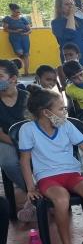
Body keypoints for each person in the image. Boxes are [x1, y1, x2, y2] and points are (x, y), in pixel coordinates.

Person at [18, 85, 83, 244]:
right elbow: (25, 161)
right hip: (48, 177)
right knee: (62, 200)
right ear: (46, 112)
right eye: (61, 108)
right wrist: (30, 187)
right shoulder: (28, 129)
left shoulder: (66, 125)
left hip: (72, 174)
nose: (65, 111)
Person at [0, 59, 33, 221]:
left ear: (13, 78)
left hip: (30, 139)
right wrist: (18, 145)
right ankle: (34, 194)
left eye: (0, 76)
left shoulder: (27, 98)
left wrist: (27, 145)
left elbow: (37, 124)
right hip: (6, 139)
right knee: (9, 162)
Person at [3, 3, 31, 75]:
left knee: (26, 55)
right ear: (12, 11)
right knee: (19, 53)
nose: (18, 13)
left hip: (25, 38)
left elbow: (30, 29)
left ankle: (26, 72)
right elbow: (5, 29)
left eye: (19, 12)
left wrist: (26, 33)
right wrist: (15, 31)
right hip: (15, 38)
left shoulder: (23, 18)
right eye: (16, 12)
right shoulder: (7, 19)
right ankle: (19, 67)